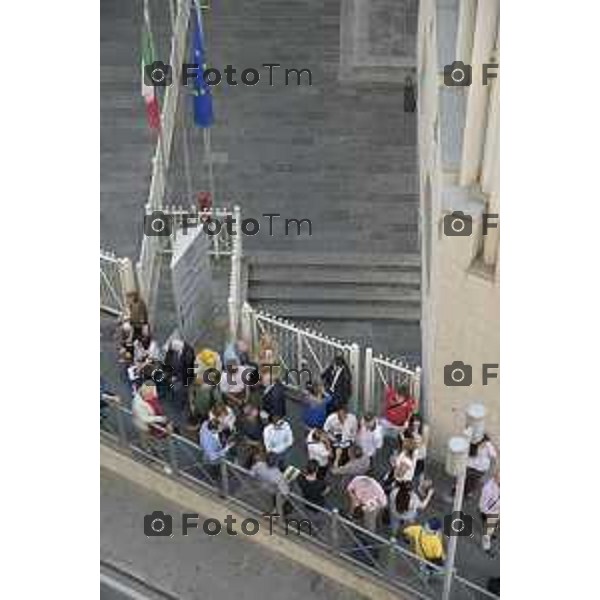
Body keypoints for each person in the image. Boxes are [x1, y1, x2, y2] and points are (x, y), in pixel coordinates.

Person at [132, 383, 171, 470]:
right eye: (149, 394)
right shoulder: (137, 403)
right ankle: (152, 455)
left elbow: (155, 400)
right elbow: (144, 418)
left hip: (153, 423)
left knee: (152, 441)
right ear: (143, 392)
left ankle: (151, 450)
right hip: (144, 426)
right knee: (148, 441)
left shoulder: (151, 391)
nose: (152, 395)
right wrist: (160, 419)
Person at [465, 434, 498, 498]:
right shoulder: (473, 444)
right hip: (470, 466)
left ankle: (468, 493)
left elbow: (494, 459)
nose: (483, 444)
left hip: (480, 469)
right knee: (467, 481)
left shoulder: (488, 446)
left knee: (473, 482)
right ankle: (465, 493)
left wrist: (490, 473)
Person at [479, 472, 500, 552]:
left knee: (493, 525)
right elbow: (484, 505)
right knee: (489, 527)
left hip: (497, 509)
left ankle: (490, 532)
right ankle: (486, 542)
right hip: (491, 511)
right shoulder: (487, 489)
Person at [407, 413, 429, 483]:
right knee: (411, 467)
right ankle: (410, 479)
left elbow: (424, 442)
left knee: (420, 467)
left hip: (420, 453)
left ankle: (421, 482)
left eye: (418, 421)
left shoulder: (425, 429)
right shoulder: (410, 428)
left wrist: (416, 435)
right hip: (412, 452)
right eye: (414, 421)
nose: (416, 423)